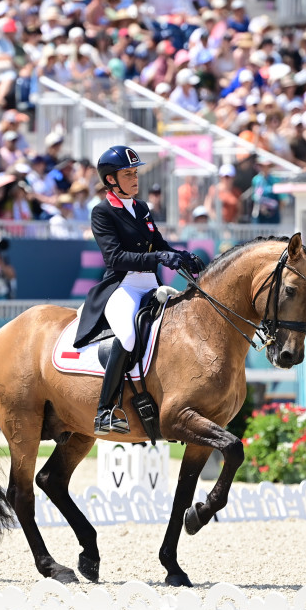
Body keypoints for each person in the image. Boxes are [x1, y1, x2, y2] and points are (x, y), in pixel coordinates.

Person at [73, 145, 198, 435]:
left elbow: (160, 246)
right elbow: (114, 258)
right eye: (128, 174)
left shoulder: (141, 208)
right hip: (123, 285)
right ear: (111, 180)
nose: (135, 178)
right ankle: (104, 411)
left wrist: (183, 255)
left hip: (151, 285)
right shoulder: (102, 212)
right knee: (128, 335)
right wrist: (157, 258)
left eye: (135, 172)